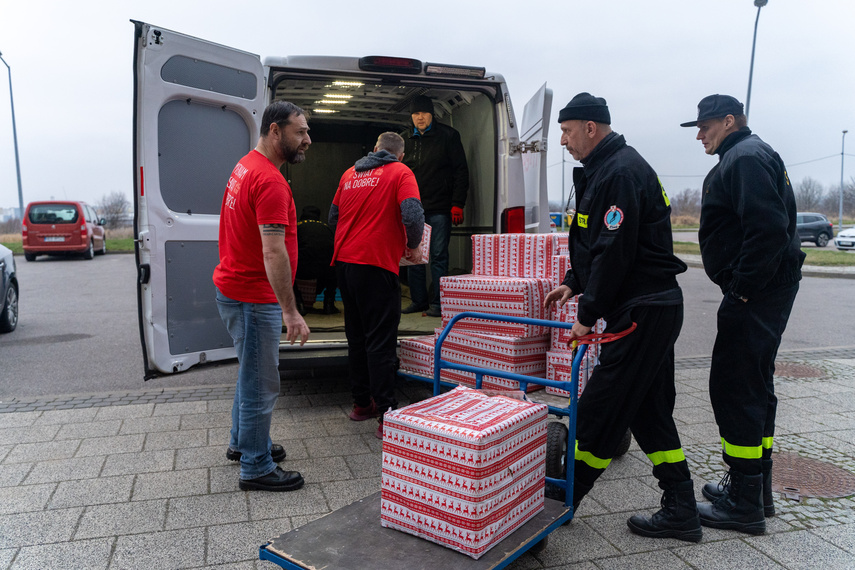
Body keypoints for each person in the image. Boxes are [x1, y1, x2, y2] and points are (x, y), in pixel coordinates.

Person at [544, 92, 701, 542]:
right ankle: (682, 508)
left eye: (568, 131)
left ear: (591, 128)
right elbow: (598, 243)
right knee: (649, 412)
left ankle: (559, 501)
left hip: (641, 311)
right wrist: (575, 280)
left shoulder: (619, 172)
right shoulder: (607, 170)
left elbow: (616, 252)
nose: (563, 141)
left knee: (598, 412)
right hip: (649, 307)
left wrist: (587, 314)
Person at [681, 94, 804, 535]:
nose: (699, 135)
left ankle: (744, 504)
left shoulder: (745, 158)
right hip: (767, 290)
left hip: (757, 294)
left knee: (736, 387)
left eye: (705, 126)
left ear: (729, 121)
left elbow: (768, 228)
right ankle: (756, 489)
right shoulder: (752, 153)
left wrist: (743, 290)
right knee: (754, 383)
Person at [213, 100, 311, 492]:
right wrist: (290, 311)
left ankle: (244, 443)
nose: (308, 140)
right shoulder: (269, 180)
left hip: (235, 289)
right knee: (261, 382)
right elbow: (273, 250)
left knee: (249, 372)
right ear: (275, 131)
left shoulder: (246, 166)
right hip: (254, 297)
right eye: (300, 132)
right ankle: (255, 466)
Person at [329, 132, 424, 438]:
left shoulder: (349, 173)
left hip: (345, 263)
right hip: (376, 265)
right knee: (380, 340)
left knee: (356, 336)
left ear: (374, 150)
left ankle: (361, 404)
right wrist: (413, 244)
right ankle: (387, 412)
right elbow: (412, 214)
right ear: (401, 154)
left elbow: (334, 217)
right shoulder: (401, 172)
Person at [401, 95, 468, 318]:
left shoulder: (448, 136)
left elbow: (461, 171)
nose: (420, 118)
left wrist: (457, 203)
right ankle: (419, 301)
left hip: (440, 207)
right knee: (414, 256)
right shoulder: (405, 140)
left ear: (432, 114)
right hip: (414, 210)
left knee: (439, 256)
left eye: (424, 113)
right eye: (416, 114)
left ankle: (439, 304)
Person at [295, 205, 338, 314]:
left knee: (284, 271)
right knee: (333, 269)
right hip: (326, 271)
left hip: (302, 268)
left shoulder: (297, 227)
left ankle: (298, 303)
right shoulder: (326, 228)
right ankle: (329, 304)